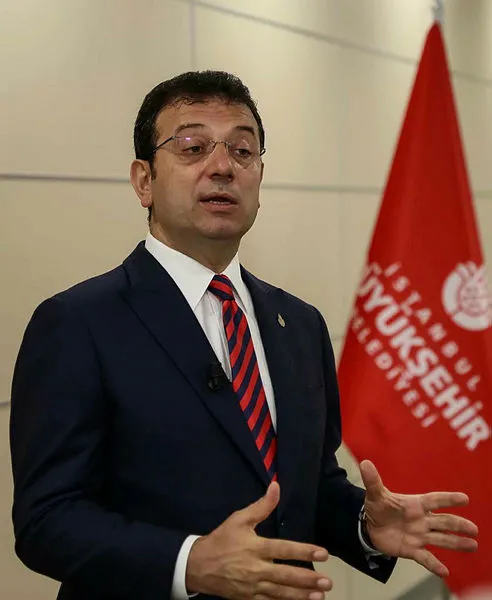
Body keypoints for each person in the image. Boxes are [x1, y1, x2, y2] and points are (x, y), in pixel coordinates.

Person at [10, 70, 478, 600]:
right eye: (192, 148)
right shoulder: (77, 323)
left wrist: (364, 527)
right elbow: (47, 520)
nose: (222, 167)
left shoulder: (300, 324)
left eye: (242, 150)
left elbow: (307, 484)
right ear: (144, 181)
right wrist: (189, 563)